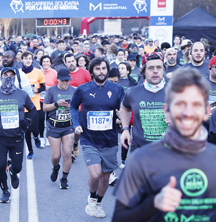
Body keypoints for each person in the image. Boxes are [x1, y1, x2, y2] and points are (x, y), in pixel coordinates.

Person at [113, 67, 216, 222]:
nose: (187, 112)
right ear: (166, 110)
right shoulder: (140, 160)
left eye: (195, 104)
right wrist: (153, 204)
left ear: (207, 111)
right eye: (180, 103)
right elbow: (119, 218)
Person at [70, 57, 124, 218]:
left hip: (109, 140)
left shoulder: (117, 89)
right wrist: (76, 123)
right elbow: (73, 106)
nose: (101, 71)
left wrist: (122, 117)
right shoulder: (83, 89)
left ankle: (98, 202)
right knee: (95, 174)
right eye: (98, 69)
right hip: (89, 139)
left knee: (105, 177)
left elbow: (123, 109)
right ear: (92, 71)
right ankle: (92, 198)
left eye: (104, 68)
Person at [0, 67, 36, 203]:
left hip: (17, 137)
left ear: (16, 78)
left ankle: (13, 172)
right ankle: (5, 190)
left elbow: (33, 109)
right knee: (0, 166)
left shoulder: (22, 94)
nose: (9, 78)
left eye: (12, 75)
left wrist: (27, 121)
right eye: (6, 75)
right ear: (1, 78)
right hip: (0, 137)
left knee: (17, 167)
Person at [119, 52, 168, 152]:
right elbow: (124, 108)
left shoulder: (177, 92)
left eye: (159, 67)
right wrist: (125, 129)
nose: (155, 71)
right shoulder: (132, 92)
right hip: (139, 150)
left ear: (163, 70)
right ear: (143, 71)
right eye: (150, 68)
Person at [44, 68, 76, 189]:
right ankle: (56, 167)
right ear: (57, 79)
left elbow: (78, 108)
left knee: (68, 153)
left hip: (68, 126)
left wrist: (71, 106)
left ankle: (64, 178)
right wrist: (57, 104)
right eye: (62, 81)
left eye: (67, 81)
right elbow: (44, 108)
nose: (65, 83)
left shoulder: (74, 91)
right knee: (56, 156)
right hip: (54, 126)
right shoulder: (52, 91)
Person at [21, 51, 46, 158]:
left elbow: (44, 86)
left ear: (32, 60)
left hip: (34, 105)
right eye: (25, 58)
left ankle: (36, 137)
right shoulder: (19, 72)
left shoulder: (38, 72)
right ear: (21, 60)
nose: (28, 60)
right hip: (23, 106)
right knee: (26, 130)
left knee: (35, 129)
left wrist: (38, 89)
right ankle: (30, 151)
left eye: (30, 58)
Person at [39, 55, 58, 147]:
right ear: (41, 63)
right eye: (44, 61)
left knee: (49, 119)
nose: (46, 63)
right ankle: (41, 138)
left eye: (47, 61)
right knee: (41, 119)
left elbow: (57, 86)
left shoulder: (54, 72)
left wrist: (48, 88)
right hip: (40, 99)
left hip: (50, 100)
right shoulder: (38, 72)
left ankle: (48, 137)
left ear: (50, 63)